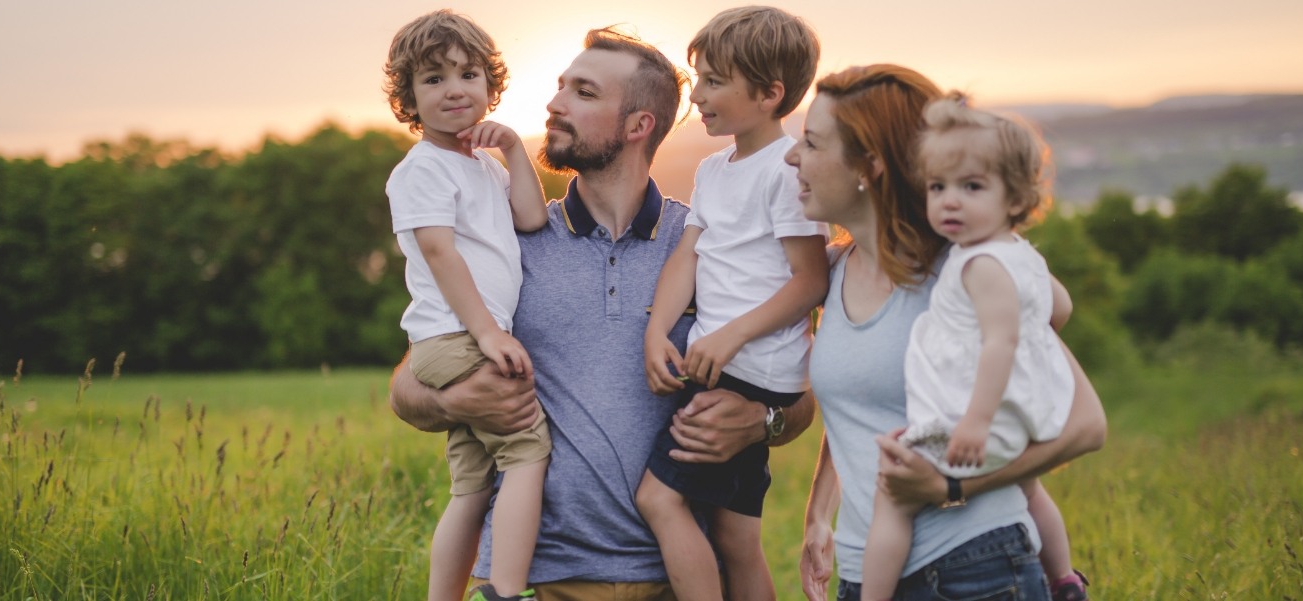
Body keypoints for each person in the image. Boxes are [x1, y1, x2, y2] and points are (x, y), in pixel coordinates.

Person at [388, 26, 816, 601]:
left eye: (583, 94)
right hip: (545, 583)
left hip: (682, 580)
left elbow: (800, 394)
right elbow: (412, 379)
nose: (554, 103)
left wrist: (760, 423)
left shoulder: (711, 244)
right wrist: (449, 400)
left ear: (639, 126)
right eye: (561, 86)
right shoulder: (512, 242)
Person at [785, 64, 1107, 601]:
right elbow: (863, 408)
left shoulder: (961, 274)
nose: (793, 157)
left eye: (812, 143)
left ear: (871, 165)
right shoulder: (834, 270)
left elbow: (1086, 426)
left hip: (973, 571)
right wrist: (819, 515)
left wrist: (951, 487)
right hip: (864, 578)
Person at [860, 96, 1088, 601]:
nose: (949, 202)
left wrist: (974, 423)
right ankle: (1064, 578)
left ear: (1016, 199)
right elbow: (1058, 308)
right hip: (1020, 418)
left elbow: (1000, 343)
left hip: (980, 425)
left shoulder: (977, 264)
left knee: (891, 499)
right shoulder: (1020, 253)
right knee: (1030, 491)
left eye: (971, 187)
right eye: (937, 188)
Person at [637, 7, 826, 601]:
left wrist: (729, 337)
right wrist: (657, 331)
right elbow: (688, 257)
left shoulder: (788, 169)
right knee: (737, 537)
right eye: (699, 79)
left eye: (715, 81)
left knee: (659, 498)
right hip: (726, 361)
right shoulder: (714, 169)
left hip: (747, 372)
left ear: (770, 94)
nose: (698, 95)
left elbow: (809, 280)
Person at [381, 10, 549, 601]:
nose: (454, 88)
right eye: (433, 78)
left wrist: (515, 149)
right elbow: (440, 253)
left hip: (463, 338)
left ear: (489, 85)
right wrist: (488, 334)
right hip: (456, 337)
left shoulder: (482, 165)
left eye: (468, 73)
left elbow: (531, 218)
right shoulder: (421, 170)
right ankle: (506, 591)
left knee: (472, 487)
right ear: (409, 99)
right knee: (528, 449)